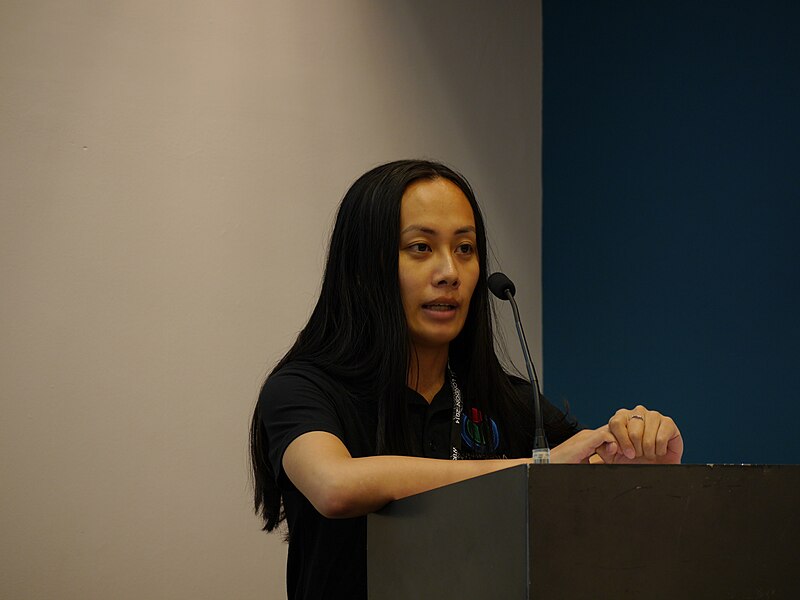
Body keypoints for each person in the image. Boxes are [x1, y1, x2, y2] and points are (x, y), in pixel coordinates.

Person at [250, 159, 682, 600]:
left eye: (465, 249)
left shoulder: (509, 402)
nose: (449, 273)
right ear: (363, 267)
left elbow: (585, 492)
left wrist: (640, 463)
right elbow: (335, 486)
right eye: (420, 248)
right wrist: (536, 469)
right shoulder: (304, 388)